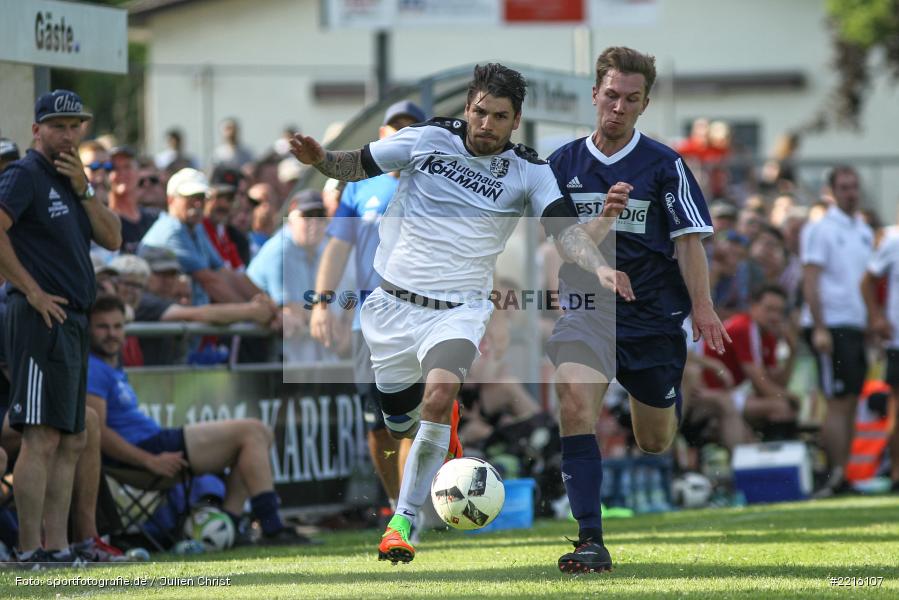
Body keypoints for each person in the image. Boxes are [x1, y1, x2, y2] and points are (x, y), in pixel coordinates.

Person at [289, 63, 620, 564]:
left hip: (460, 309)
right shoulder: (426, 140)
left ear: (516, 121)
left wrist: (599, 265)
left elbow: (564, 230)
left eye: (499, 117)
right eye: (480, 113)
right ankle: (429, 432)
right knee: (397, 423)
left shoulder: (531, 171)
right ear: (467, 108)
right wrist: (319, 159)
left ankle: (402, 522)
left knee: (439, 397)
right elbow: (354, 164)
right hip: (392, 307)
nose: (486, 124)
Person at [544, 47, 726, 574]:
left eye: (631, 99)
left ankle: (668, 411)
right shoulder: (562, 164)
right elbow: (560, 241)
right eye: (610, 96)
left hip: (653, 318)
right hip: (587, 308)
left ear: (644, 104)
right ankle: (590, 540)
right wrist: (601, 220)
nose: (618, 108)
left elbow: (689, 241)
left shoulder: (665, 164)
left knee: (654, 440)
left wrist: (703, 308)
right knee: (574, 402)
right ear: (595, 95)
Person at [0, 89, 122, 566]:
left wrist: (86, 189)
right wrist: (29, 290)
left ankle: (58, 545)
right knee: (41, 436)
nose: (68, 135)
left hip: (72, 320)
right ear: (37, 131)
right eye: (57, 126)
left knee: (72, 438)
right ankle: (30, 548)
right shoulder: (24, 174)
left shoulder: (73, 179)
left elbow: (113, 238)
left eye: (75, 126)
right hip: (39, 318)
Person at [86, 294, 311, 545]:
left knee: (256, 437)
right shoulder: (93, 367)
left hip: (154, 441)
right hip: (146, 450)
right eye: (102, 327)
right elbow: (100, 434)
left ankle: (229, 529)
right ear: (88, 329)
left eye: (118, 326)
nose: (112, 334)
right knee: (253, 431)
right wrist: (149, 460)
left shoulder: (110, 365)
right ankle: (270, 527)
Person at [310, 100, 426, 516]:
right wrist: (322, 304)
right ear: (381, 136)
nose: (401, 136)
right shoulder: (360, 187)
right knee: (377, 425)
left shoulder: (438, 183)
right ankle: (398, 502)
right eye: (395, 129)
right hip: (369, 322)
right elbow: (337, 246)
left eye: (411, 129)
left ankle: (411, 508)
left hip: (421, 318)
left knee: (416, 417)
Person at [800, 165, 873, 496]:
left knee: (851, 400)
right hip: (831, 324)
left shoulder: (862, 228)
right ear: (832, 191)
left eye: (854, 186)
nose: (851, 192)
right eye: (844, 187)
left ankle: (844, 473)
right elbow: (811, 279)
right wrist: (819, 327)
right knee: (837, 401)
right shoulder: (821, 228)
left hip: (854, 325)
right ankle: (835, 475)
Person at [140, 167, 268, 306]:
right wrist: (252, 313)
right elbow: (209, 280)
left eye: (201, 197)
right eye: (190, 197)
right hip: (170, 320)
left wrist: (268, 305)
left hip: (186, 320)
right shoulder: (172, 231)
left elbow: (224, 272)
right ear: (171, 199)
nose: (198, 203)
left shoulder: (195, 227)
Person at [702, 285, 799, 437]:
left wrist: (793, 353)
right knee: (781, 407)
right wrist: (792, 397)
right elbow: (762, 386)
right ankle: (773, 457)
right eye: (769, 309)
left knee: (782, 405)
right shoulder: (744, 328)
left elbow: (777, 384)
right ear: (753, 307)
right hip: (709, 394)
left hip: (728, 393)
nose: (775, 317)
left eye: (779, 311)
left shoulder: (766, 334)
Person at [860, 226, 899, 492]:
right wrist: (876, 317)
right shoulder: (894, 241)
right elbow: (866, 281)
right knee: (897, 408)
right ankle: (897, 472)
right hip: (898, 339)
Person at [108, 146, 158, 254]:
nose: (122, 173)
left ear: (138, 172)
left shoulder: (152, 218)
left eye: (127, 167)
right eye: (114, 168)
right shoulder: (104, 220)